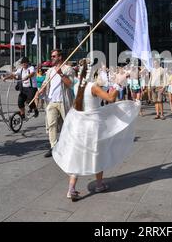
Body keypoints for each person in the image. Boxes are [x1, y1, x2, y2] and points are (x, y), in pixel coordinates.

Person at [52, 59, 140, 201]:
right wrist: (119, 83)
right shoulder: (93, 87)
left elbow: (69, 84)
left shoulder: (78, 85)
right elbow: (111, 98)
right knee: (97, 152)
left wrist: (61, 74)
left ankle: (71, 188)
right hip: (92, 126)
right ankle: (99, 184)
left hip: (78, 125)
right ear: (93, 73)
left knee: (76, 154)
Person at [36, 50, 74, 158]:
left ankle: (69, 146)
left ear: (60, 57)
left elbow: (70, 84)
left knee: (67, 125)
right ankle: (53, 147)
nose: (52, 58)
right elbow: (45, 83)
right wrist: (41, 90)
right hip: (51, 101)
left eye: (54, 56)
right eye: (51, 56)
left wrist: (61, 74)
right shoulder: (50, 71)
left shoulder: (68, 69)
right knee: (51, 124)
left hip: (64, 101)